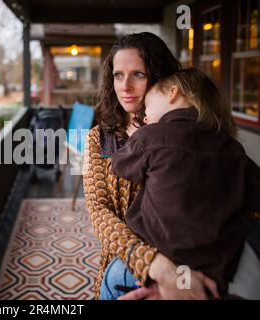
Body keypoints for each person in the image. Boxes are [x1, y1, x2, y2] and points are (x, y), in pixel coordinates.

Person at [83, 32, 219, 300]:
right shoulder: (100, 138)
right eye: (118, 75)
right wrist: (152, 263)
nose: (125, 86)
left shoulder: (189, 132)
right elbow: (98, 211)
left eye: (138, 74)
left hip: (191, 268)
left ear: (160, 78)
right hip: (124, 267)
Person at [109, 67, 260, 299]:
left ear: (172, 93)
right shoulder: (233, 149)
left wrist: (138, 136)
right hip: (218, 269)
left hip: (162, 259)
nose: (146, 117)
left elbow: (119, 164)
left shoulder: (153, 136)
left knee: (112, 278)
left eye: (148, 107)